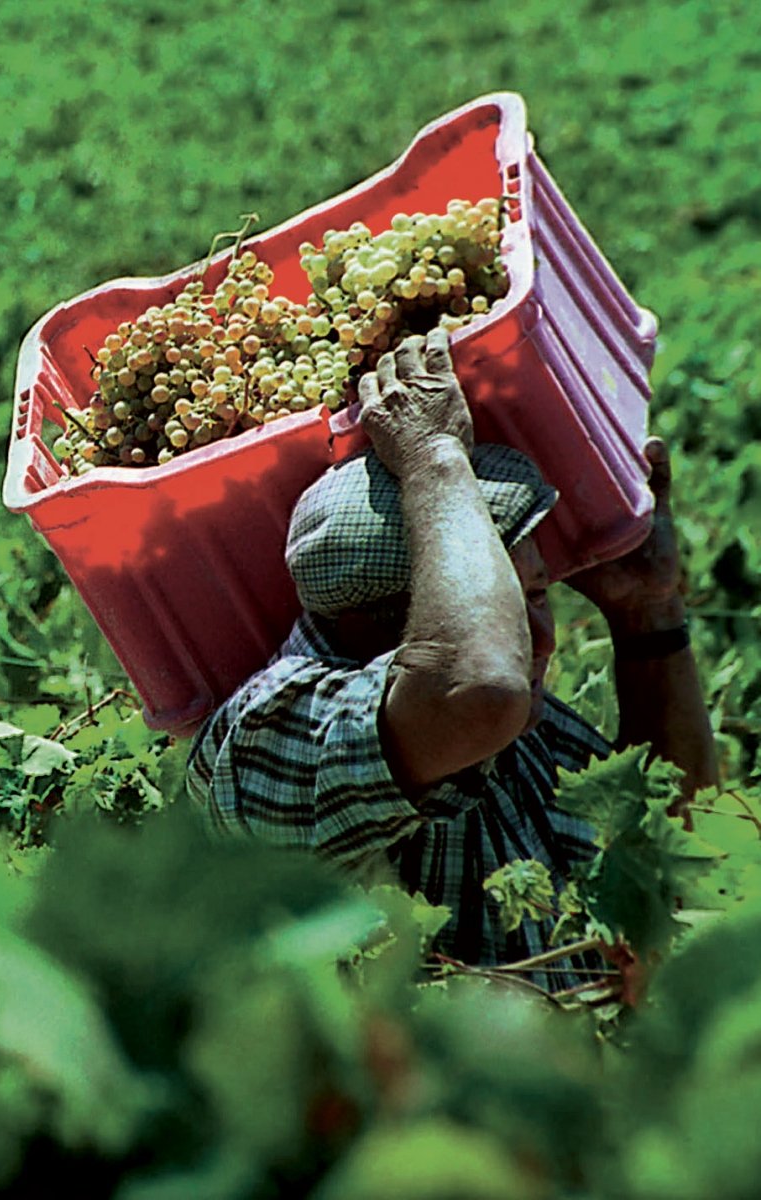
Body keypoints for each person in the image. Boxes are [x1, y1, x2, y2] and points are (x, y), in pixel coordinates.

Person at [185, 325, 718, 992]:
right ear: (376, 626)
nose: (539, 639)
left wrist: (648, 615)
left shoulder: (529, 732)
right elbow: (480, 685)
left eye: (536, 595)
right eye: (504, 604)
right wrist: (434, 457)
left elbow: (672, 840)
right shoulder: (274, 736)